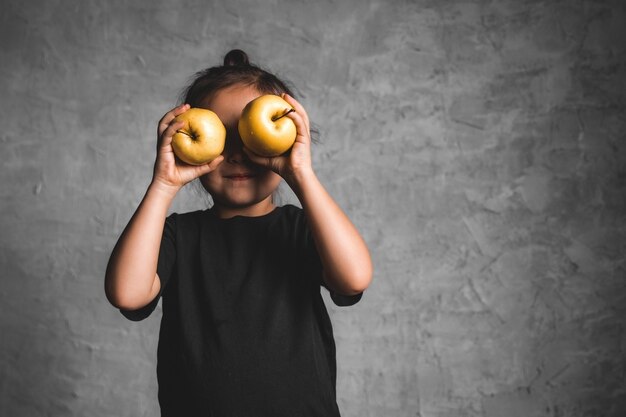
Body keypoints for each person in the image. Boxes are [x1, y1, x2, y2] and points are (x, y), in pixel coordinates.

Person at [105, 49, 373, 416]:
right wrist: (164, 184)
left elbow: (354, 279)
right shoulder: (177, 235)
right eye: (221, 136)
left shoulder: (299, 228)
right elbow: (127, 294)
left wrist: (301, 173)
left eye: (252, 137)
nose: (237, 154)